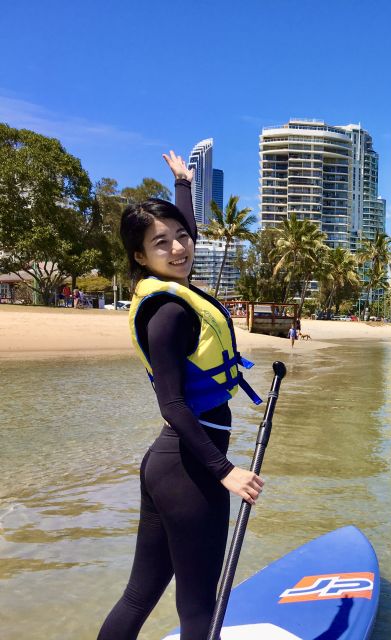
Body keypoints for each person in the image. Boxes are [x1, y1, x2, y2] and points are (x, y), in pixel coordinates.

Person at [98, 151, 264, 640]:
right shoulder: (168, 313)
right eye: (161, 243)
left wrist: (185, 186)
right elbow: (171, 405)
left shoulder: (171, 288)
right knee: (198, 609)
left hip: (168, 465)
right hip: (190, 470)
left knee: (138, 595)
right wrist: (226, 471)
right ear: (139, 255)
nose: (178, 248)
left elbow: (180, 229)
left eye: (183, 237)